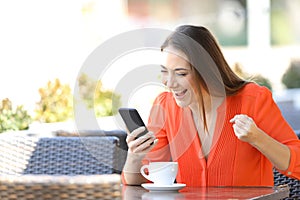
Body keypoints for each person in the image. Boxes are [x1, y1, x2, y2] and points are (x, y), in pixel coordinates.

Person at [122, 25, 300, 186]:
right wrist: (135, 156)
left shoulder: (253, 99)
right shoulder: (164, 106)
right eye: (164, 72)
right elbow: (144, 178)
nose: (169, 83)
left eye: (181, 73)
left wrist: (258, 138)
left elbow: (297, 164)